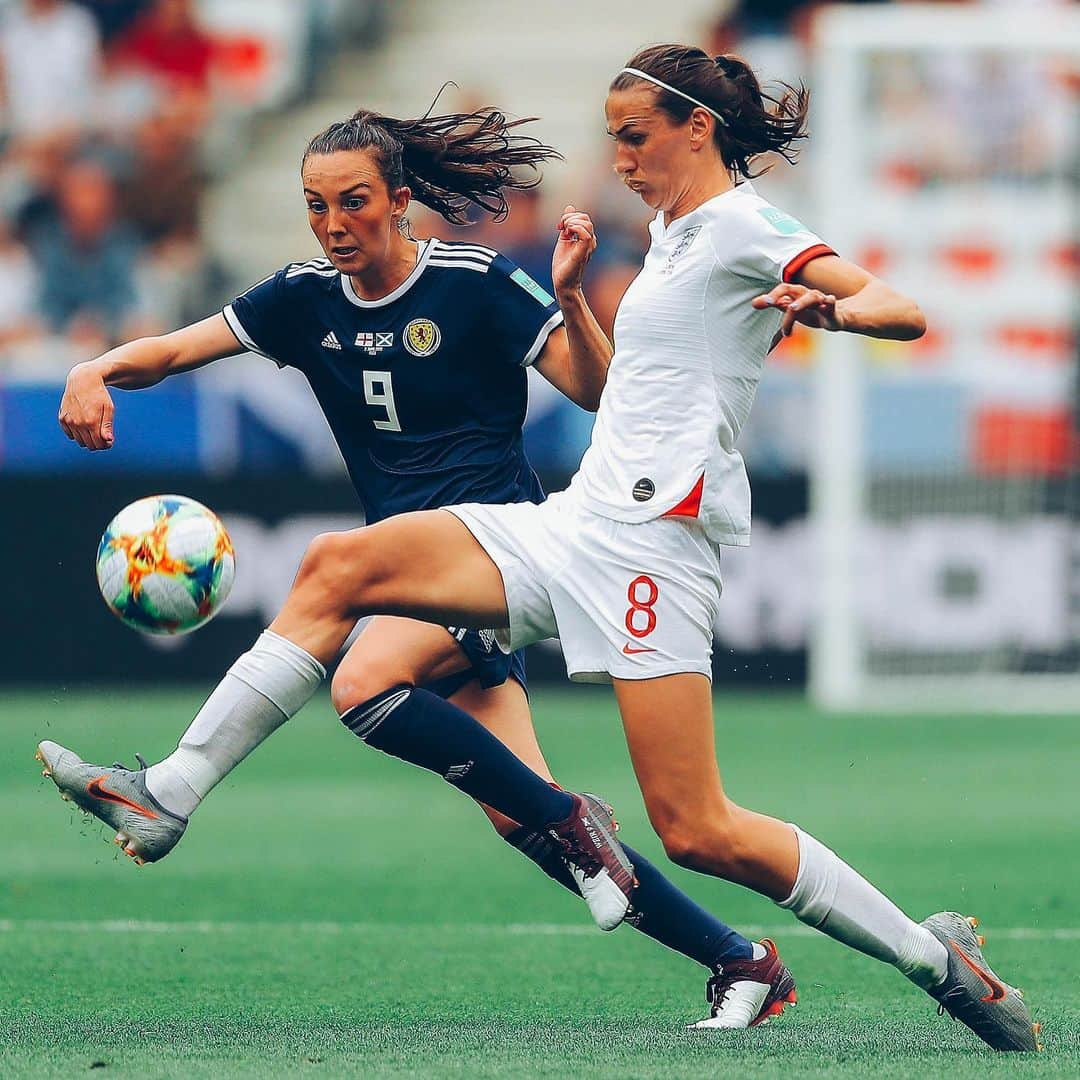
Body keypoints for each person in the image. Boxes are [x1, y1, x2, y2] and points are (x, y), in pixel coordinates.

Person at [39, 101, 798, 1031]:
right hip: (407, 575)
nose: (332, 225)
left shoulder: (476, 283)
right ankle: (739, 957)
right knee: (522, 815)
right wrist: (96, 370)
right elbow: (176, 349)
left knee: (360, 677)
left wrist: (566, 296)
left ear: (399, 202)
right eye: (315, 206)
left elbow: (601, 393)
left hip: (497, 554)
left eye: (352, 202)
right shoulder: (303, 298)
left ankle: (170, 791)